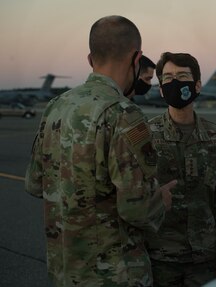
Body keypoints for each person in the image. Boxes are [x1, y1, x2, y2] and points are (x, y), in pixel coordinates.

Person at [24, 15, 176, 286]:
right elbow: (137, 209)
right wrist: (160, 201)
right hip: (114, 275)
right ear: (137, 57)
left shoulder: (56, 106)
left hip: (64, 271)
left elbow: (35, 184)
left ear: (90, 59)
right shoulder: (124, 114)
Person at [145, 52, 216, 287]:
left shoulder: (214, 137)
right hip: (159, 259)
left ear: (197, 85)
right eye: (167, 79)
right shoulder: (145, 137)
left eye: (182, 76)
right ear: (160, 89)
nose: (175, 83)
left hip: (205, 260)